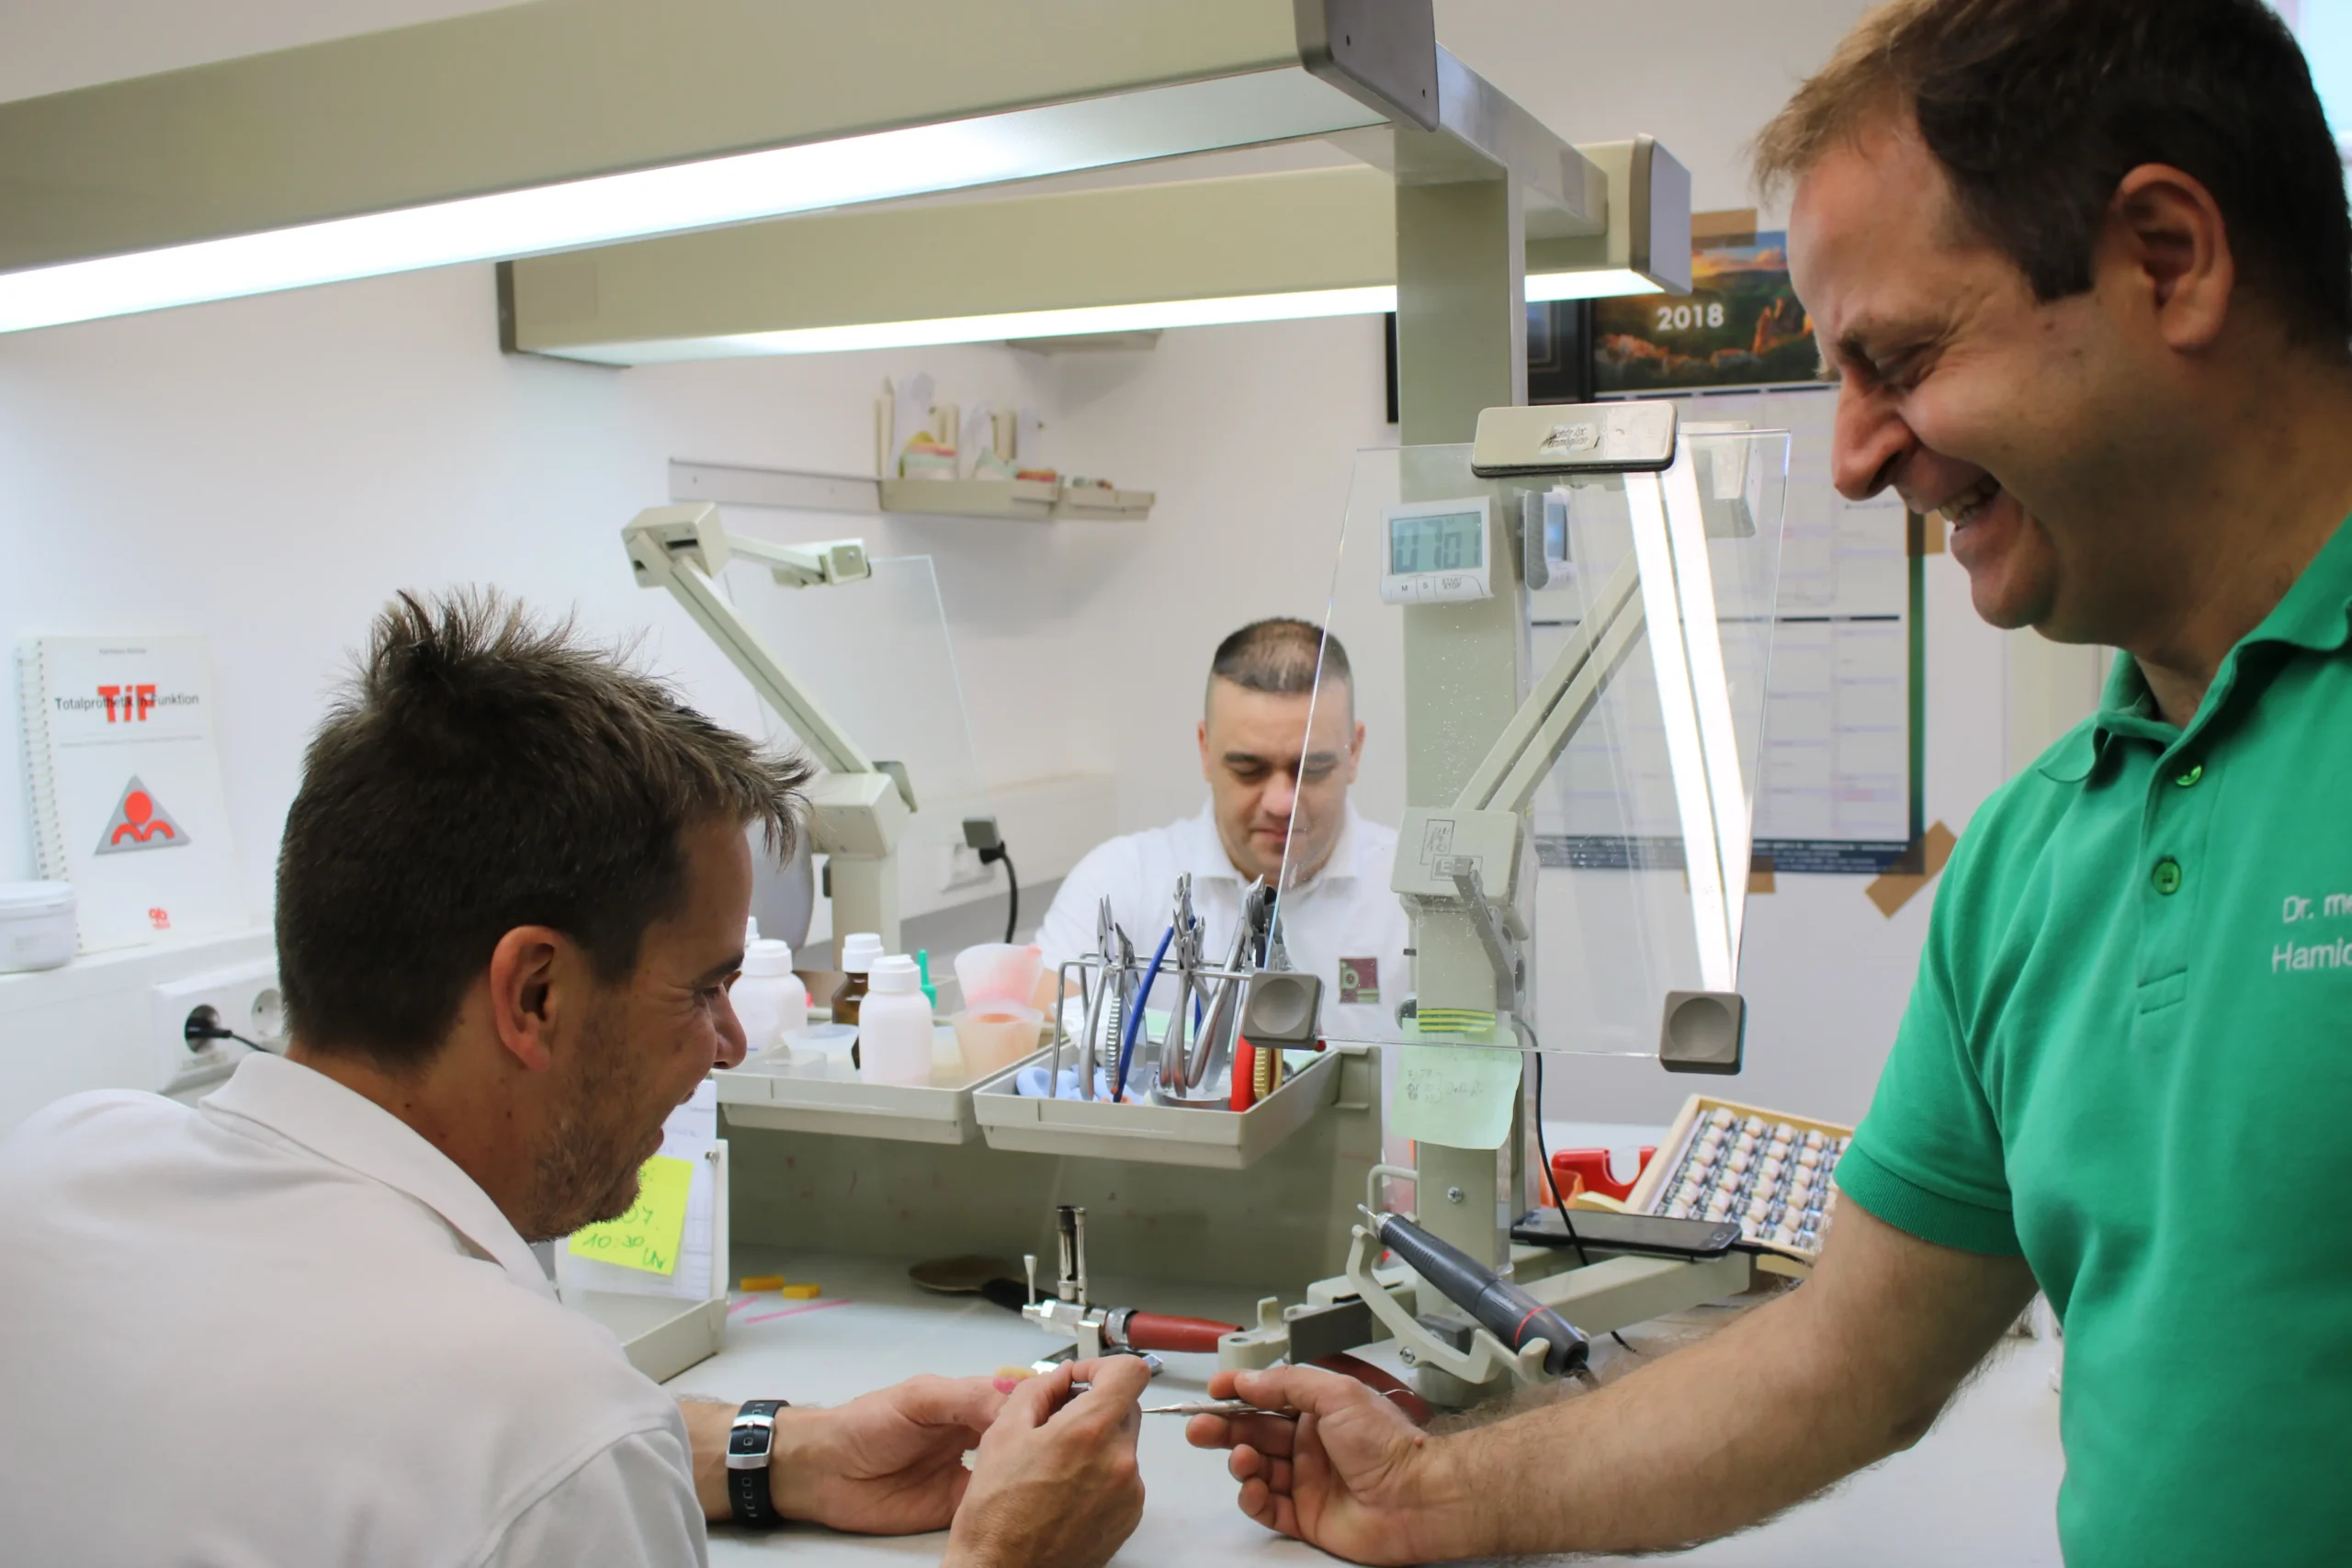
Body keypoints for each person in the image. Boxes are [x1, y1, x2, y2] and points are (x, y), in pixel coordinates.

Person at [1187, 2, 2352, 1563]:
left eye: (1901, 359)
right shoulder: (2036, 858)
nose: (1856, 456)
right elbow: (1839, 1354)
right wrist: (1430, 1493)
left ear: (2167, 257)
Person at [0, 592, 1148, 1567]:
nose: (728, 1044)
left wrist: (783, 1451)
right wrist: (1003, 1556)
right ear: (536, 994)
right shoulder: (541, 1416)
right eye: (702, 989)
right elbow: (536, 1453)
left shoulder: (62, 1160)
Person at [1036, 619, 1410, 1055]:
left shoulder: (1415, 900)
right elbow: (1040, 1038)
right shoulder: (1121, 882)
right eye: (1248, 769)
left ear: (1354, 752)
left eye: (1311, 769)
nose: (1281, 803)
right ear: (1205, 749)